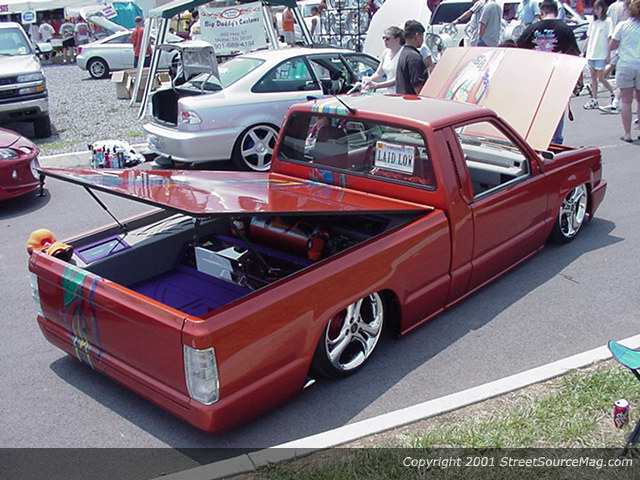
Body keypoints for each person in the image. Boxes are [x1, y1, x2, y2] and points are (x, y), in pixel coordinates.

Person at [517, 0, 580, 144]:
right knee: (556, 113)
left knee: (537, 112)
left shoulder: (532, 29)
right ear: (556, 11)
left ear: (542, 12)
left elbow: (518, 51)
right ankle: (555, 145)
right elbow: (575, 55)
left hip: (536, 79)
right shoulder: (565, 29)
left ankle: (536, 142)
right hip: (558, 78)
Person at [609, 0, 640, 142]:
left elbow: (612, 45)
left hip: (626, 65)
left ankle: (627, 134)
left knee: (626, 101)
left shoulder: (622, 26)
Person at [583, 0, 615, 110]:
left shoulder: (608, 21)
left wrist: (608, 54)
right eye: (595, 8)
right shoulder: (593, 22)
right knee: (593, 78)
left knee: (601, 78)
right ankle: (594, 99)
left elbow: (610, 38)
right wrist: (583, 51)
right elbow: (588, 37)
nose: (596, 11)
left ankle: (613, 93)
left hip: (601, 54)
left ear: (602, 8)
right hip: (591, 53)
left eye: (598, 8)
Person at [601, 0, 630, 113]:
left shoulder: (612, 7)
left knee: (623, 78)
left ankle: (615, 102)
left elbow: (607, 22)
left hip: (618, 42)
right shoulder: (628, 20)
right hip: (625, 50)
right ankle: (615, 102)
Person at [362, 26, 404, 93]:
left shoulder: (403, 53)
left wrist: (378, 85)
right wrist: (368, 80)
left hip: (402, 93)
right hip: (389, 92)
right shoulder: (386, 53)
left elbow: (399, 79)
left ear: (397, 39)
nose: (384, 41)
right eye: (383, 38)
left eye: (387, 38)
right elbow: (379, 73)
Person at [396, 21, 427, 95]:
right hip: (413, 100)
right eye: (422, 36)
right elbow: (418, 87)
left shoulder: (404, 53)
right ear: (417, 36)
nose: (423, 39)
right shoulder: (414, 57)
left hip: (402, 99)